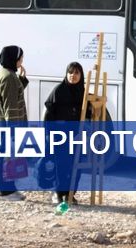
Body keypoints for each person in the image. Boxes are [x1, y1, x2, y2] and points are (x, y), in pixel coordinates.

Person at [43, 62, 90, 204]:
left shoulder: (84, 93)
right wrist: (48, 135)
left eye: (76, 73)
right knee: (61, 164)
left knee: (76, 164)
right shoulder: (59, 90)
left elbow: (88, 116)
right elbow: (48, 115)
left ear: (81, 76)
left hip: (77, 135)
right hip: (60, 134)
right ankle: (58, 193)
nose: (72, 76)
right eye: (70, 72)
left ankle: (70, 193)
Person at [0, 45, 29, 200]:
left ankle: (9, 189)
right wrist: (13, 131)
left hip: (1, 126)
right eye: (20, 58)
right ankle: (5, 191)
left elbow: (13, 94)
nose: (21, 61)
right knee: (7, 158)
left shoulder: (5, 73)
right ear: (14, 59)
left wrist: (22, 80)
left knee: (7, 158)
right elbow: (10, 106)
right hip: (6, 127)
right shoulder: (9, 77)